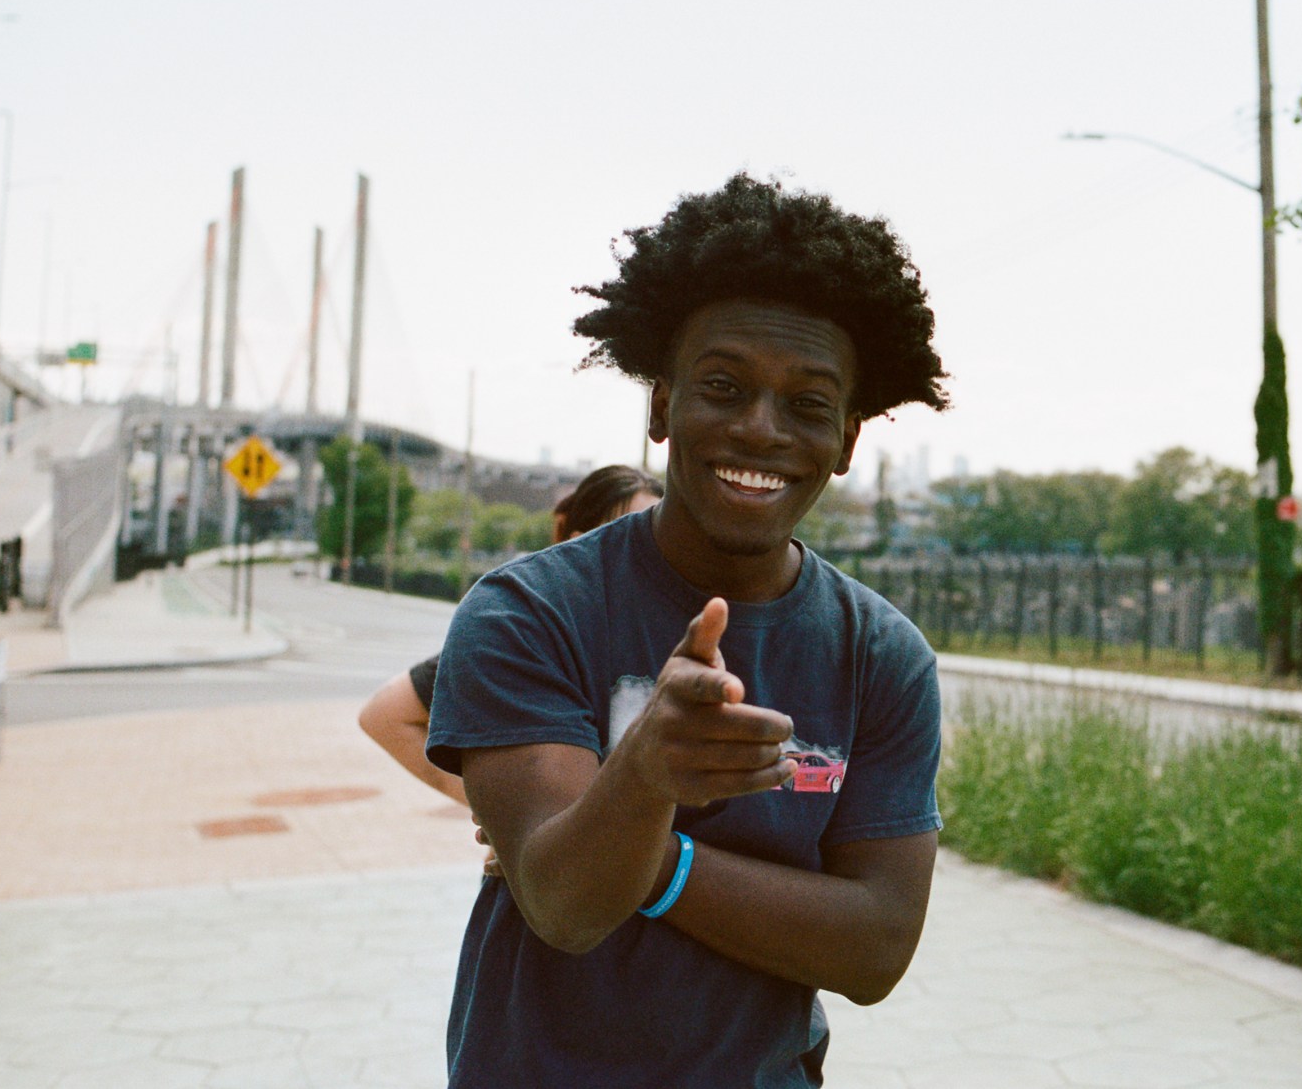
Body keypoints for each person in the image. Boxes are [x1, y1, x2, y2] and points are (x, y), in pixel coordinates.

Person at [428, 173, 950, 1087]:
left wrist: (657, 855)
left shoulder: (883, 656)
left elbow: (877, 950)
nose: (760, 429)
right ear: (662, 406)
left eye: (808, 403)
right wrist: (643, 776)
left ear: (850, 438)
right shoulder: (528, 612)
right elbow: (563, 904)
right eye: (723, 385)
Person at [357, 464, 664, 803]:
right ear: (580, 543)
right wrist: (497, 809)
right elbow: (385, 715)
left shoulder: (679, 628)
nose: (645, 551)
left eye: (653, 534)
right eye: (626, 533)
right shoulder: (534, 635)